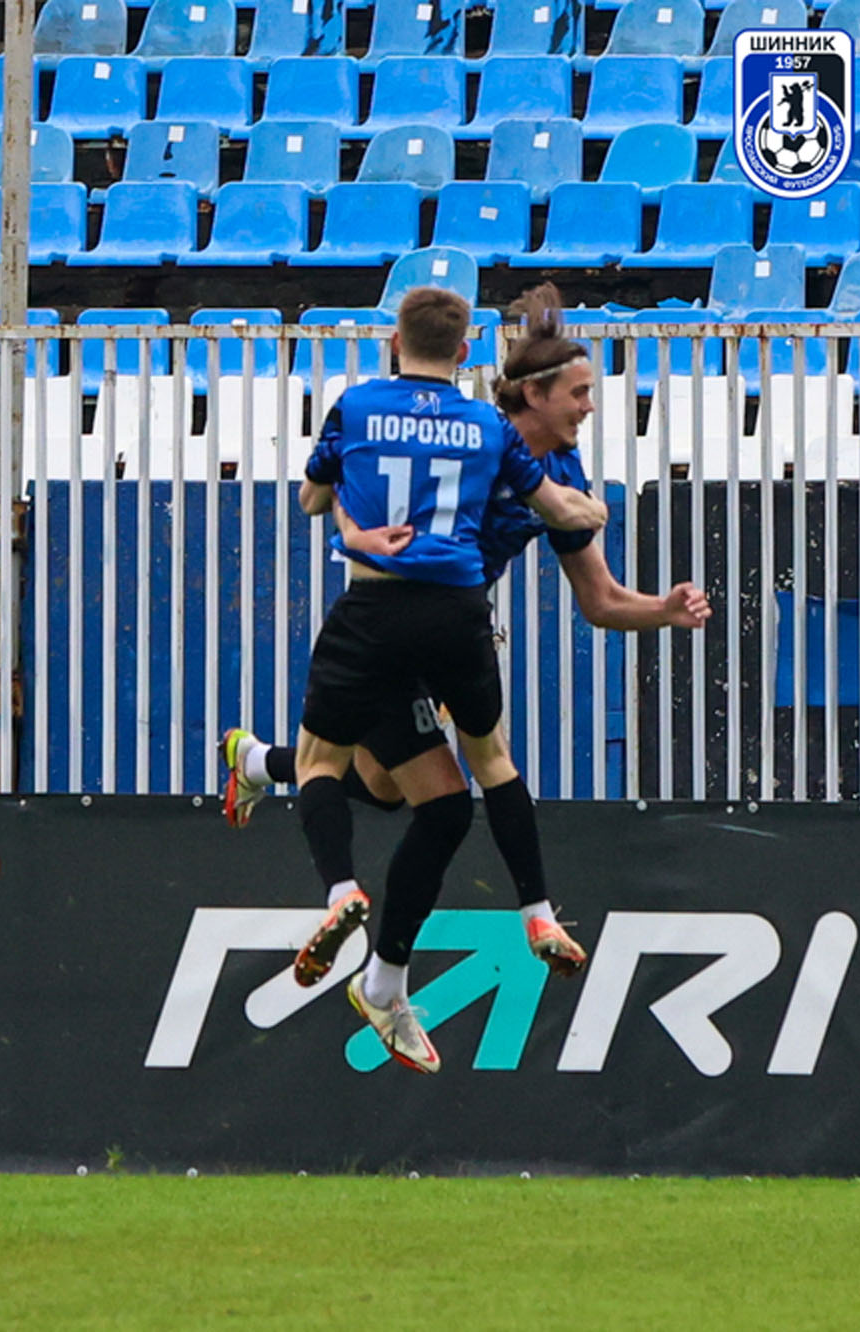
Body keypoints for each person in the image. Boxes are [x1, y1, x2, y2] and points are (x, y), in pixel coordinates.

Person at [222, 284, 710, 980]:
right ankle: (401, 970)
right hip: (424, 620)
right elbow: (345, 493)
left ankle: (259, 765)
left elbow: (600, 602)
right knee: (434, 795)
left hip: (433, 627)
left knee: (387, 787)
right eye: (579, 392)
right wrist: (582, 512)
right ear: (533, 395)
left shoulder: (552, 464)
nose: (590, 406)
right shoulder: (486, 436)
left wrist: (664, 609)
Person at [264, 288, 607, 1074]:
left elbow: (310, 498)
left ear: (394, 342)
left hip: (374, 612)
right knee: (481, 772)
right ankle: (535, 910)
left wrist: (353, 526)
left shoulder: (355, 406)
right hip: (456, 615)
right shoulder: (486, 425)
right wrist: (590, 513)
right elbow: (556, 507)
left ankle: (340, 891)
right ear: (463, 353)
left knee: (324, 764)